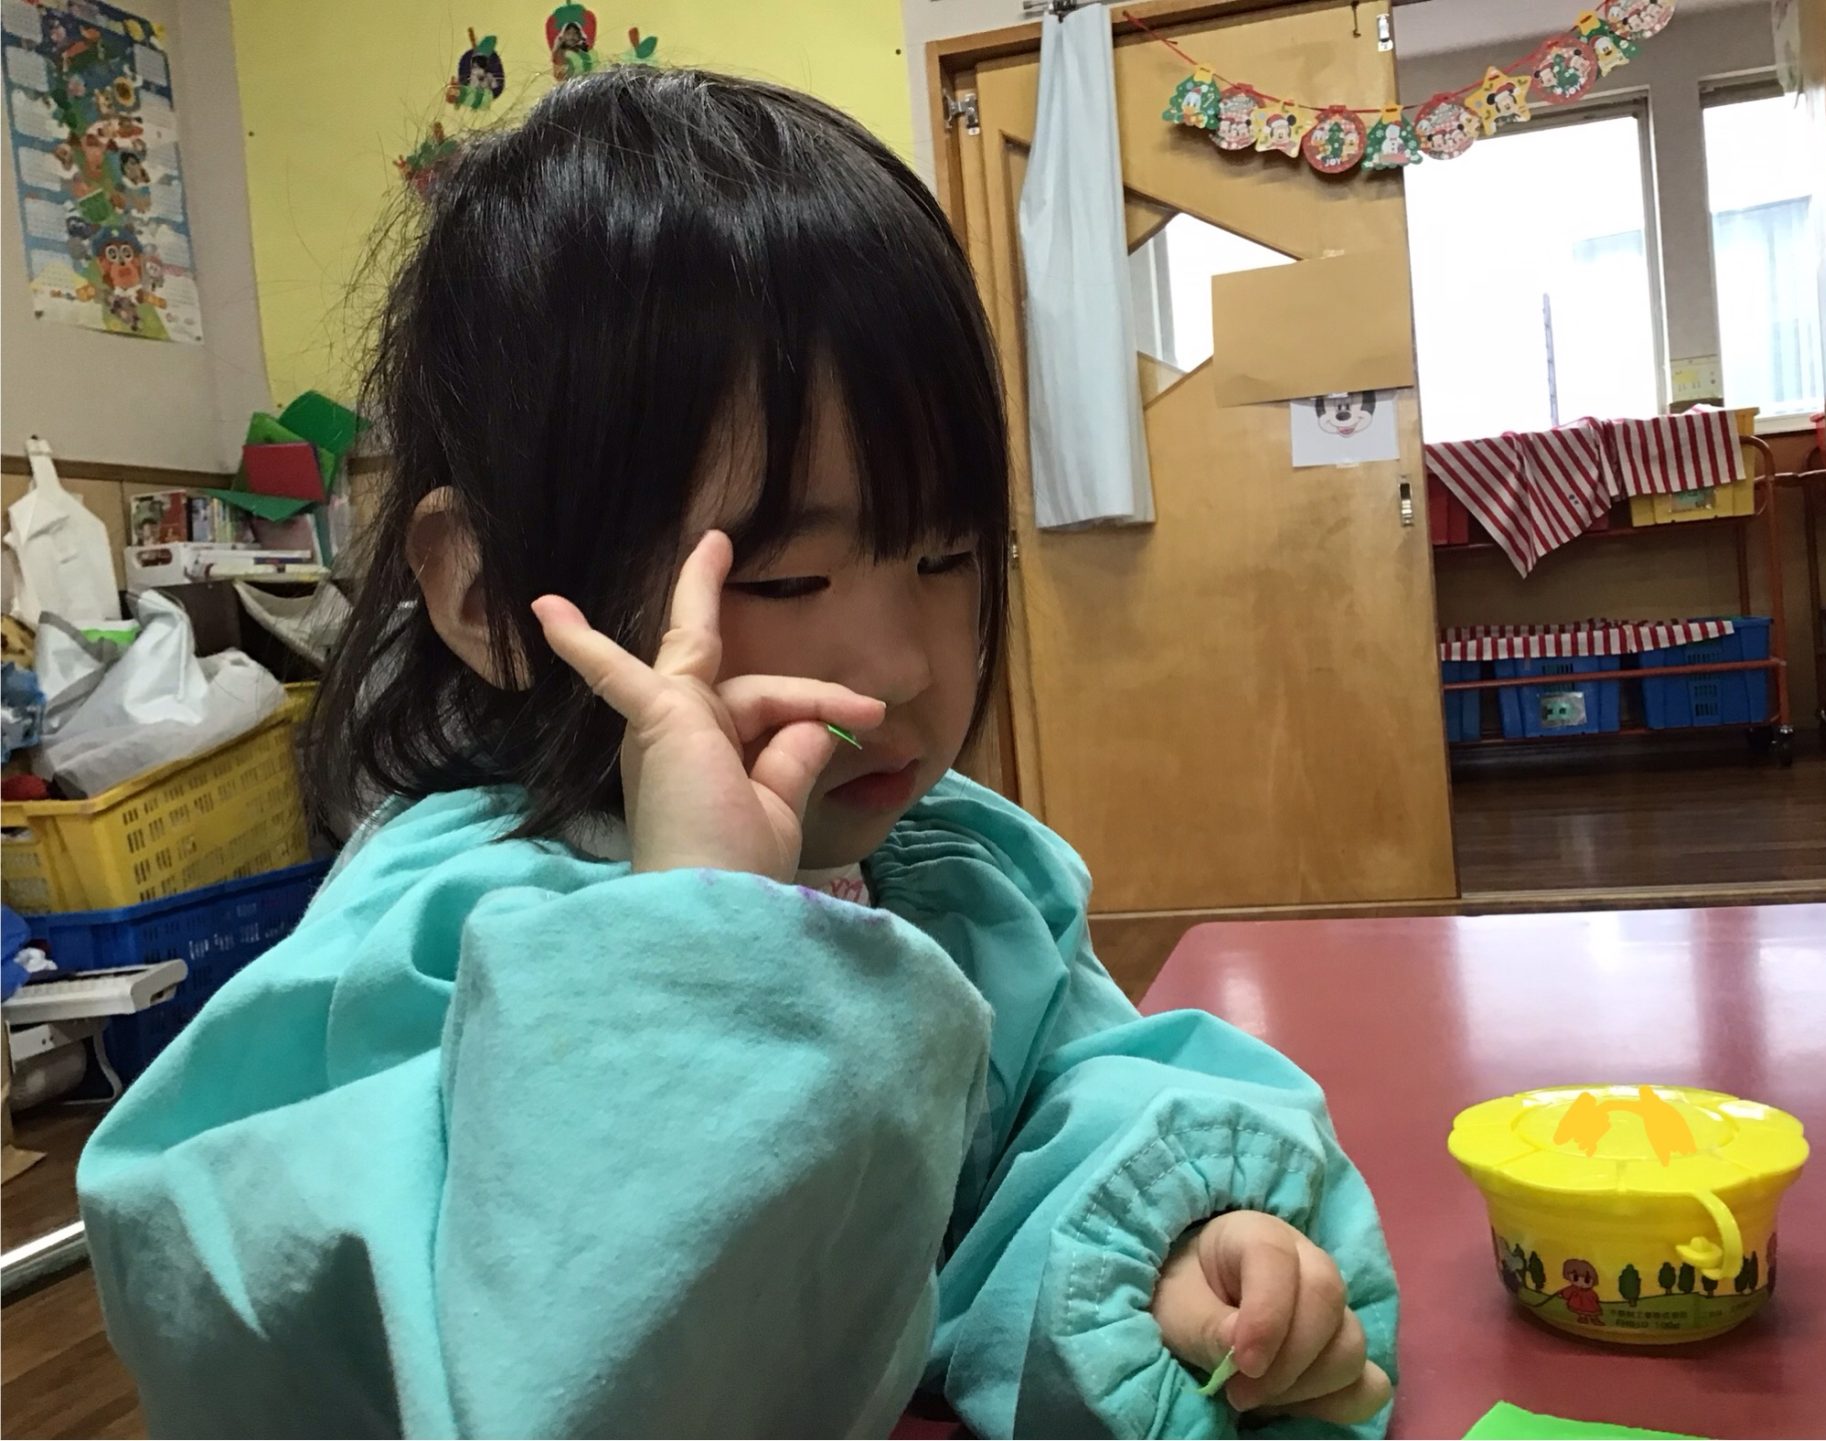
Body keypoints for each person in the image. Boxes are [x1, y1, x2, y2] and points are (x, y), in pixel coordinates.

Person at [77, 65, 1398, 1438]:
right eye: (787, 578)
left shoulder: (953, 875)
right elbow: (547, 1380)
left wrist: (1174, 1254)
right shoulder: (421, 959)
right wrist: (703, 942)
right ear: (486, 594)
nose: (903, 666)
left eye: (948, 555)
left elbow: (1074, 1098)